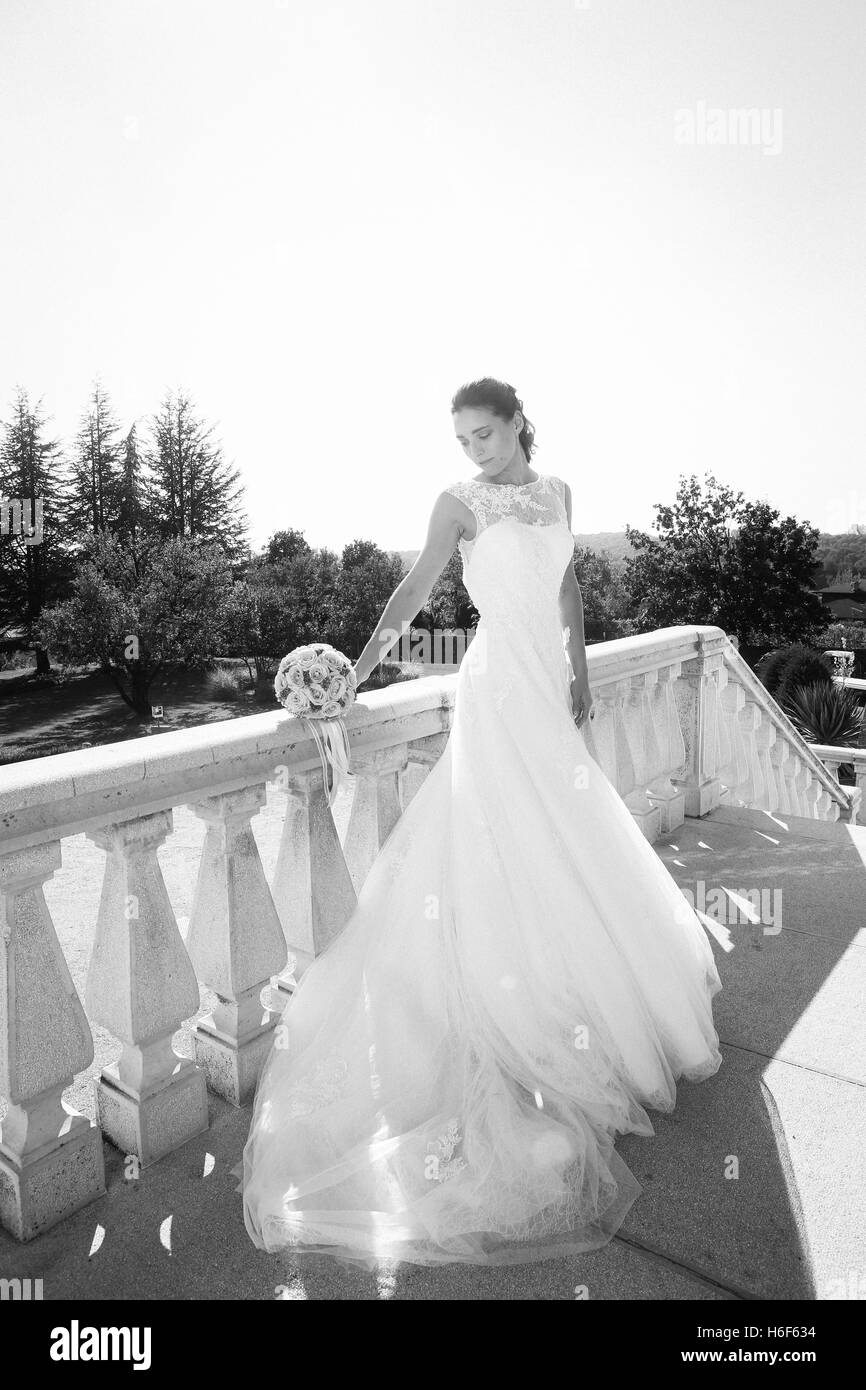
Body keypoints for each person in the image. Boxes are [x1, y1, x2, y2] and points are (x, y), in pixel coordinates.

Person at [237, 376, 722, 1269]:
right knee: (504, 834)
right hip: (497, 686)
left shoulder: (559, 493)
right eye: (463, 438)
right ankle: (513, 1005)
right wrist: (360, 667)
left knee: (573, 834)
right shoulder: (457, 503)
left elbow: (570, 587)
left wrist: (578, 670)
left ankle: (594, 999)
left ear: (516, 424)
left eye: (486, 434)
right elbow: (416, 588)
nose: (474, 449)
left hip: (547, 681)